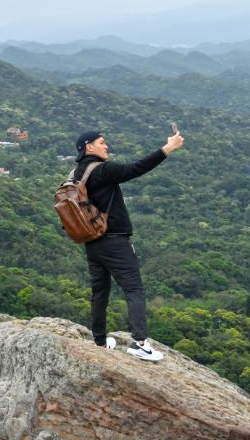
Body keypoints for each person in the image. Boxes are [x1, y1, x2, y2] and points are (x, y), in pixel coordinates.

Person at [73, 128, 184, 360]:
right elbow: (136, 168)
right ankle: (139, 343)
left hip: (92, 241)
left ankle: (100, 341)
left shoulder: (78, 172)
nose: (106, 146)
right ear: (89, 147)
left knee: (99, 292)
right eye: (102, 143)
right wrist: (168, 148)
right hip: (114, 239)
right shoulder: (103, 169)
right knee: (134, 288)